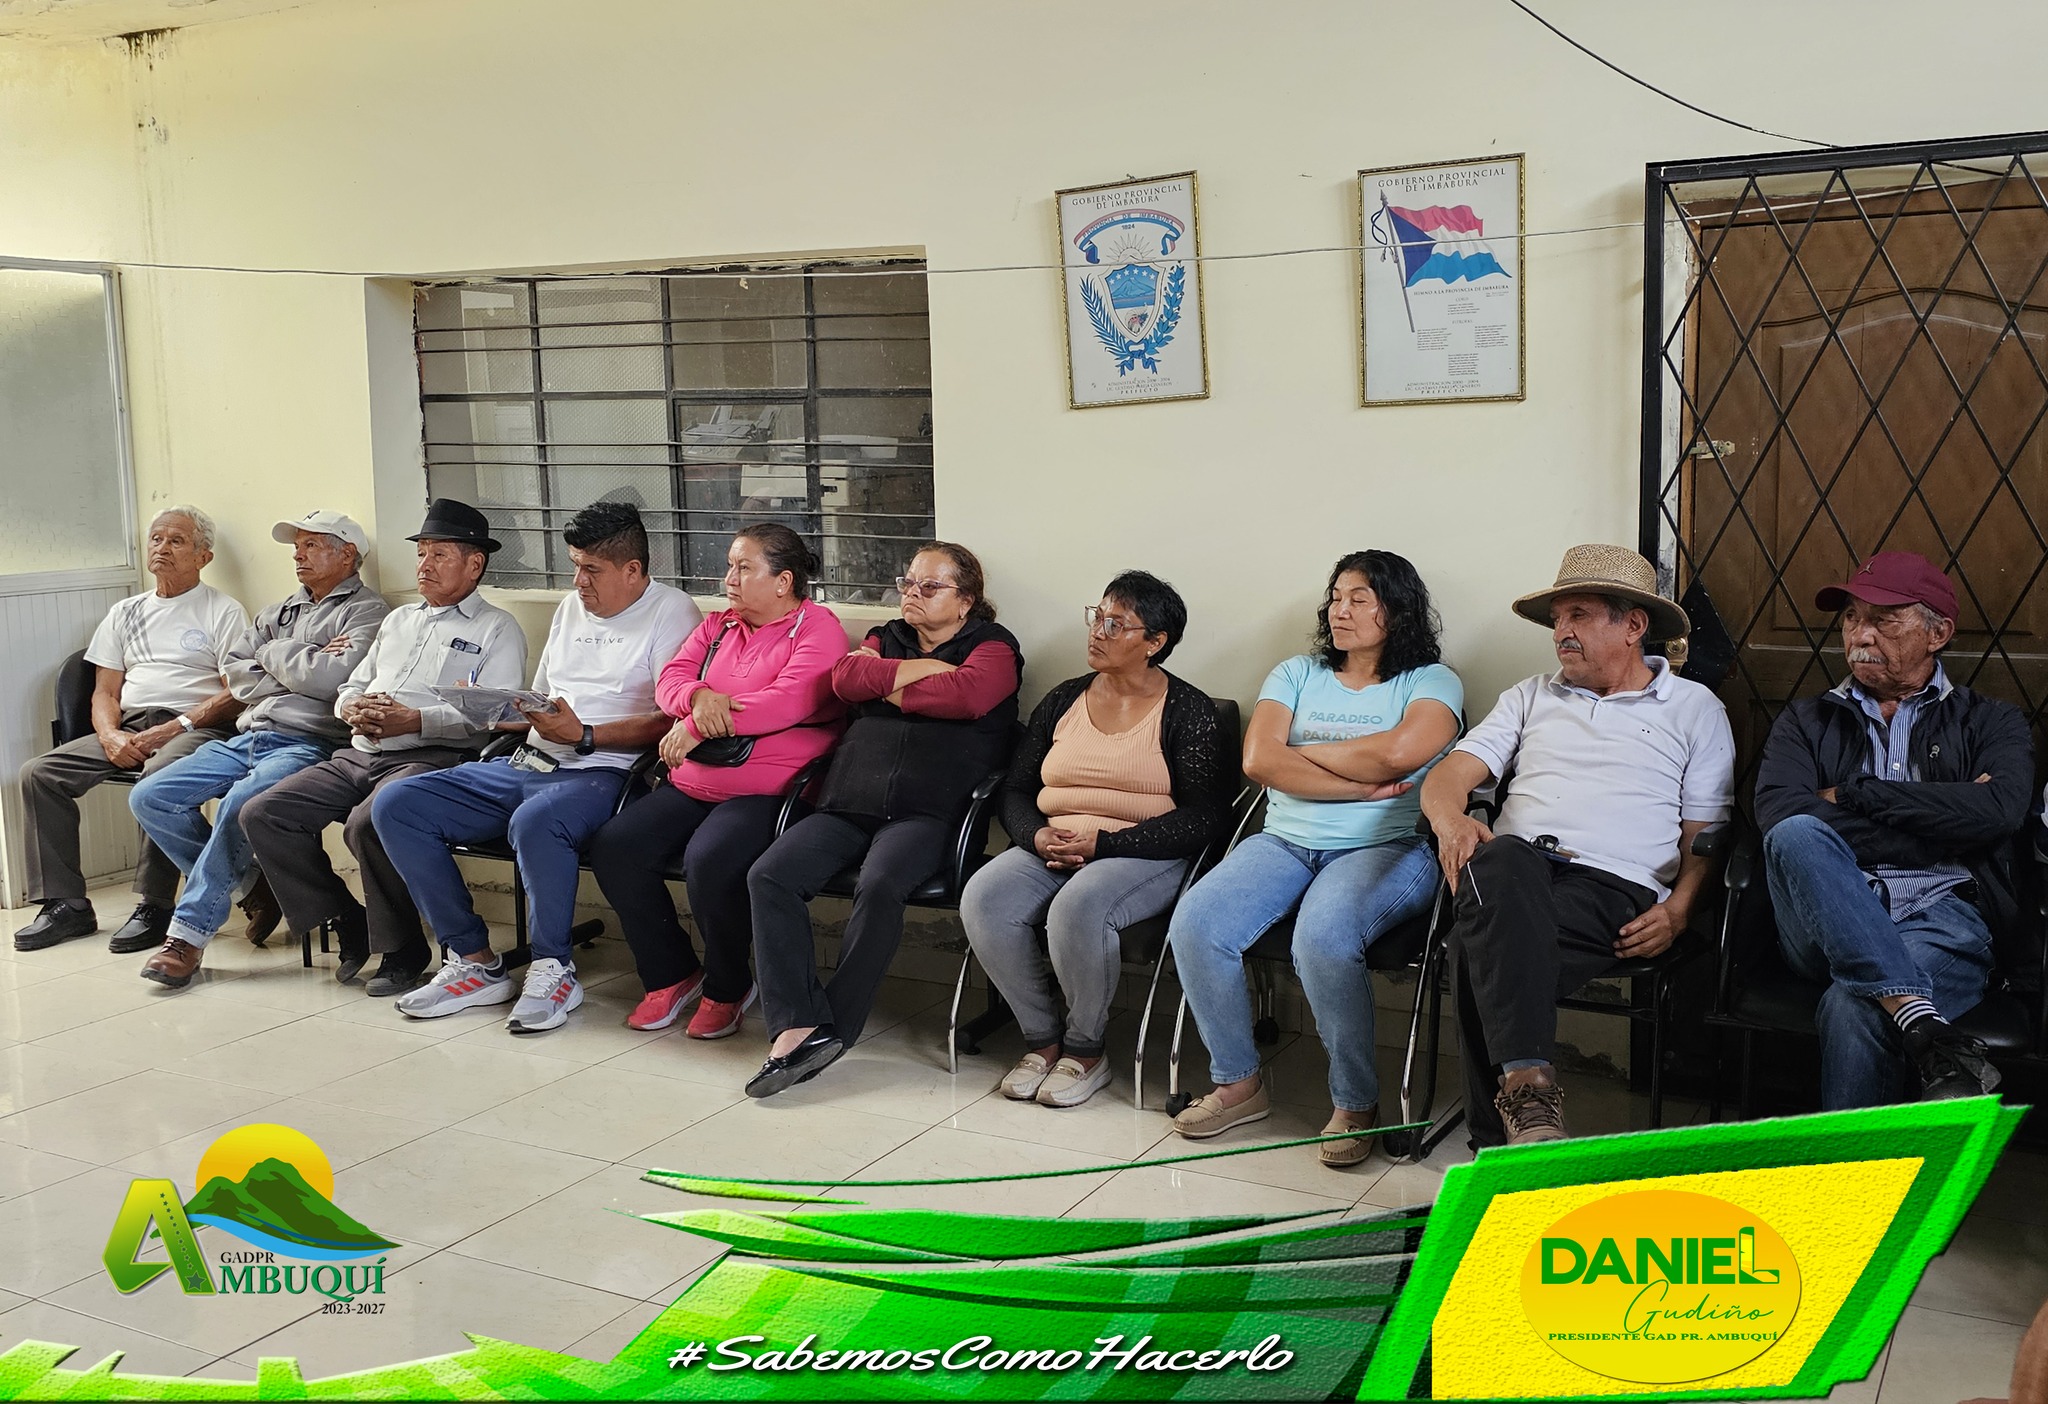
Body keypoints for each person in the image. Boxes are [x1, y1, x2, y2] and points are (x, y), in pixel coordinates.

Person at [1418, 544, 1734, 1147]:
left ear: (1634, 625)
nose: (1561, 631)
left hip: (1615, 887)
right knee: (1501, 858)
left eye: (1579, 615)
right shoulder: (1529, 695)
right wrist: (1449, 822)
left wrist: (1679, 910)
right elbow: (1449, 776)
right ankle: (1529, 1095)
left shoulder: (1696, 708)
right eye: (1557, 618)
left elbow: (1706, 834)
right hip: (1513, 869)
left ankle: (1497, 1141)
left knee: (1473, 946)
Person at [1167, 551, 1462, 1164]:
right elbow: (1258, 760)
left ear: (1397, 610)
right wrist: (1355, 782)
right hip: (1284, 841)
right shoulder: (1296, 672)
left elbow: (1398, 755)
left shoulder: (1433, 681)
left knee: (1323, 939)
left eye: (1359, 599)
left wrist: (1299, 754)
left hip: (1385, 846)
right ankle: (1239, 1085)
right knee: (1196, 921)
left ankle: (1355, 1103)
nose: (1339, 610)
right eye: (1335, 597)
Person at [371, 500, 700, 1033]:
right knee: (398, 804)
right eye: (574, 565)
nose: (579, 581)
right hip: (531, 760)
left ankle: (553, 968)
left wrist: (585, 735)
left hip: (606, 772)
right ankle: (473, 961)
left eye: (591, 569)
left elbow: (670, 717)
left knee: (536, 821)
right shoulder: (571, 607)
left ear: (633, 570)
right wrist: (493, 707)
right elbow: (542, 695)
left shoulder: (673, 611)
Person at [743, 541, 1023, 1096]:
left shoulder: (994, 646)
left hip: (929, 812)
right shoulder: (887, 633)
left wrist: (886, 682)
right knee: (769, 875)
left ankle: (836, 1028)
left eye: (930, 586)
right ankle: (796, 1022)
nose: (913, 594)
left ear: (966, 600)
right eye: (908, 583)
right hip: (849, 799)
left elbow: (968, 695)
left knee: (880, 883)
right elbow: (847, 680)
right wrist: (923, 671)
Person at [1755, 551, 2030, 1106]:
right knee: (1796, 834)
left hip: (1942, 916)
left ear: (1938, 634)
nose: (1861, 635)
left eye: (1884, 620)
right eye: (1852, 618)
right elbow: (1780, 812)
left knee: (1851, 1005)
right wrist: (1944, 825)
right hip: (1822, 918)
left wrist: (1857, 793)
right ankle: (1922, 1020)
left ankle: (1858, 1165)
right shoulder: (1805, 721)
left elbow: (1998, 811)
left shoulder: (1991, 721)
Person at [960, 570, 1231, 1110]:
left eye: (1116, 624)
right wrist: (1036, 835)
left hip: (1143, 850)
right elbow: (1016, 788)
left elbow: (1204, 817)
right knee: (984, 898)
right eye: (1098, 617)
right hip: (1054, 841)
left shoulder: (1188, 710)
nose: (1098, 632)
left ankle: (1086, 1050)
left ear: (1155, 642)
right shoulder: (1064, 698)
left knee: (1078, 907)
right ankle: (1042, 1039)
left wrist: (1103, 845)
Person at [240, 500, 527, 995]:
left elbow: (497, 714)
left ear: (474, 564)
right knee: (264, 813)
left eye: (439, 555)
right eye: (421, 554)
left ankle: (403, 948)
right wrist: (350, 707)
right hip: (359, 752)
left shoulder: (497, 629)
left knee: (367, 822)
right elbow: (352, 683)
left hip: (430, 758)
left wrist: (415, 719)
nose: (425, 565)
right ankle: (346, 918)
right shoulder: (398, 621)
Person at [587, 523, 848, 1044]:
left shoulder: (818, 630)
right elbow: (670, 681)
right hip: (693, 780)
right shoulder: (719, 626)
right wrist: (698, 699)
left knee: (709, 858)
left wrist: (696, 724)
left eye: (744, 568)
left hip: (770, 792)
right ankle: (670, 973)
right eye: (730, 566)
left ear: (783, 581)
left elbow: (787, 701)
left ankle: (728, 986)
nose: (729, 578)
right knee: (616, 846)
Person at [126, 511, 391, 988]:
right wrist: (303, 661)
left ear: (347, 554)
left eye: (311, 545)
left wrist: (270, 653)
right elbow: (236, 676)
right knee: (150, 796)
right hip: (250, 736)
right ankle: (252, 884)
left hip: (309, 742)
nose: (298, 555)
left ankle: (186, 937)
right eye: (297, 546)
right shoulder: (280, 610)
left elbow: (331, 681)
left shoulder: (367, 611)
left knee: (239, 804)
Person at [15, 507, 248, 955]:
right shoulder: (125, 611)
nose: (162, 548)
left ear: (203, 556)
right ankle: (66, 904)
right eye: (156, 539)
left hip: (194, 727)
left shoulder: (223, 611)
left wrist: (173, 729)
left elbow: (233, 694)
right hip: (130, 724)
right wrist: (109, 735)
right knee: (38, 774)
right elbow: (105, 691)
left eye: (176, 541)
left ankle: (155, 904)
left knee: (159, 777)